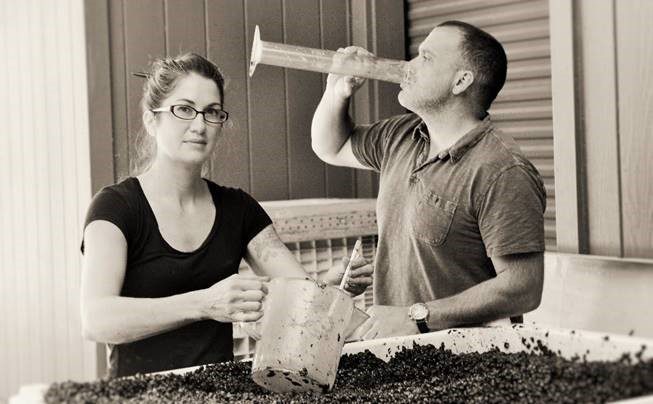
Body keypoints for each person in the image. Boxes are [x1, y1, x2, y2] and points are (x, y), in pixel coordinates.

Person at [80, 53, 372, 377]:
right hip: (139, 396)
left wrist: (323, 290)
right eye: (184, 110)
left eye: (211, 113)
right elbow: (96, 319)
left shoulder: (239, 209)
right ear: (152, 120)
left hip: (217, 392)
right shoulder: (114, 208)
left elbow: (297, 292)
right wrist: (206, 303)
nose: (199, 125)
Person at [311, 21, 546, 340]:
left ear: (461, 81)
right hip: (399, 353)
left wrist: (418, 317)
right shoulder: (401, 135)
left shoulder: (501, 169)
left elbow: (523, 288)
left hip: (471, 364)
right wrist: (337, 90)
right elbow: (331, 147)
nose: (408, 66)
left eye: (426, 57)